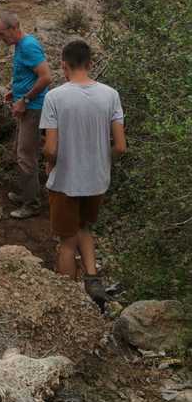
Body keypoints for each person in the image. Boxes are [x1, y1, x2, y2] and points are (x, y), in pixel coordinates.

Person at [40, 39, 126, 307]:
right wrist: (100, 160)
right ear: (90, 64)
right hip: (97, 180)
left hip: (66, 180)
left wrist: (49, 164)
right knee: (84, 227)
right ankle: (92, 279)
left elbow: (50, 148)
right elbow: (120, 146)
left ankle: (68, 304)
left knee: (67, 242)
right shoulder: (110, 95)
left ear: (63, 65)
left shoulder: (55, 97)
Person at [0, 14, 52, 218]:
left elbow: (46, 77)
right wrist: (15, 92)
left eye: (2, 34)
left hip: (33, 108)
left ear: (14, 28)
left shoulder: (28, 46)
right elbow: (30, 75)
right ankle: (27, 194)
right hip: (27, 106)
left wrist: (24, 100)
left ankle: (32, 204)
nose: (0, 39)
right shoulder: (19, 45)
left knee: (26, 156)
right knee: (21, 151)